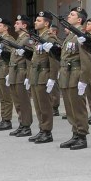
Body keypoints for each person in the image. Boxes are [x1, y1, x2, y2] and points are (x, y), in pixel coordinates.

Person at [58, 7, 91, 149]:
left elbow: (86, 59)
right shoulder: (70, 35)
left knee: (78, 108)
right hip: (67, 76)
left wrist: (83, 80)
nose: (68, 16)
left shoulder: (81, 35)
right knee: (70, 107)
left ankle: (82, 136)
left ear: (79, 20)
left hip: (76, 75)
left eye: (71, 15)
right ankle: (75, 133)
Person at [27, 12, 60, 144]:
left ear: (46, 23)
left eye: (38, 20)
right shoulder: (39, 37)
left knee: (45, 105)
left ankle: (47, 132)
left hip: (44, 75)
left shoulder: (50, 38)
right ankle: (42, 129)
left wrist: (52, 78)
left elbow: (54, 59)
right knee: (38, 105)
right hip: (35, 75)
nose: (35, 22)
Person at [8, 15, 34, 138]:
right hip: (15, 73)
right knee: (17, 102)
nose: (15, 25)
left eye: (17, 23)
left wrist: (28, 76)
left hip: (22, 74)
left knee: (24, 102)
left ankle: (26, 126)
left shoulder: (27, 39)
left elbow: (29, 59)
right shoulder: (18, 39)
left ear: (24, 26)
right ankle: (21, 124)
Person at [0, 17, 14, 131]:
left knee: (6, 97)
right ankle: (3, 118)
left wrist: (9, 73)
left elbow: (12, 56)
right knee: (1, 98)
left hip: (4, 71)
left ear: (5, 28)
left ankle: (7, 120)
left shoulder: (9, 39)